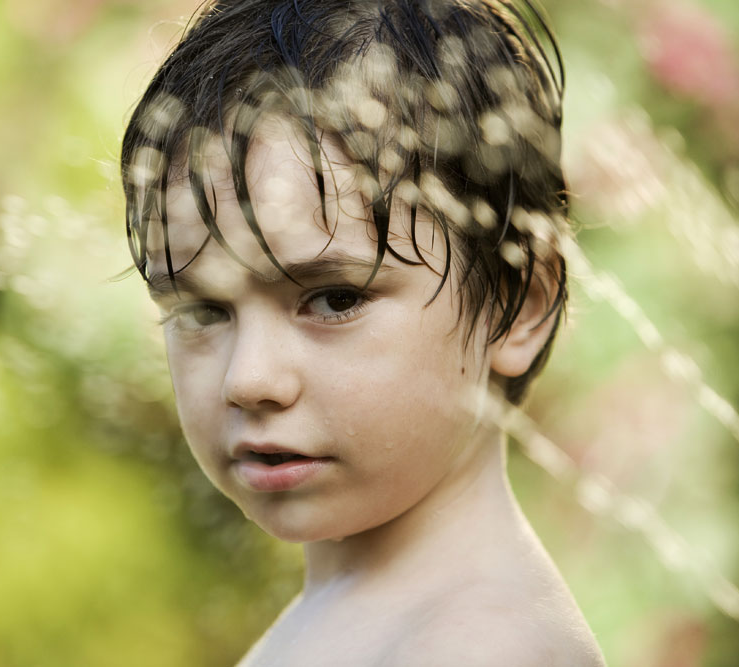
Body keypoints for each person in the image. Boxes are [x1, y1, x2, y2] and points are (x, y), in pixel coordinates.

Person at [121, 0, 606, 663]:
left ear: (519, 303)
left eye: (334, 297)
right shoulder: (363, 618)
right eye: (204, 311)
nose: (249, 378)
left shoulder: (480, 646)